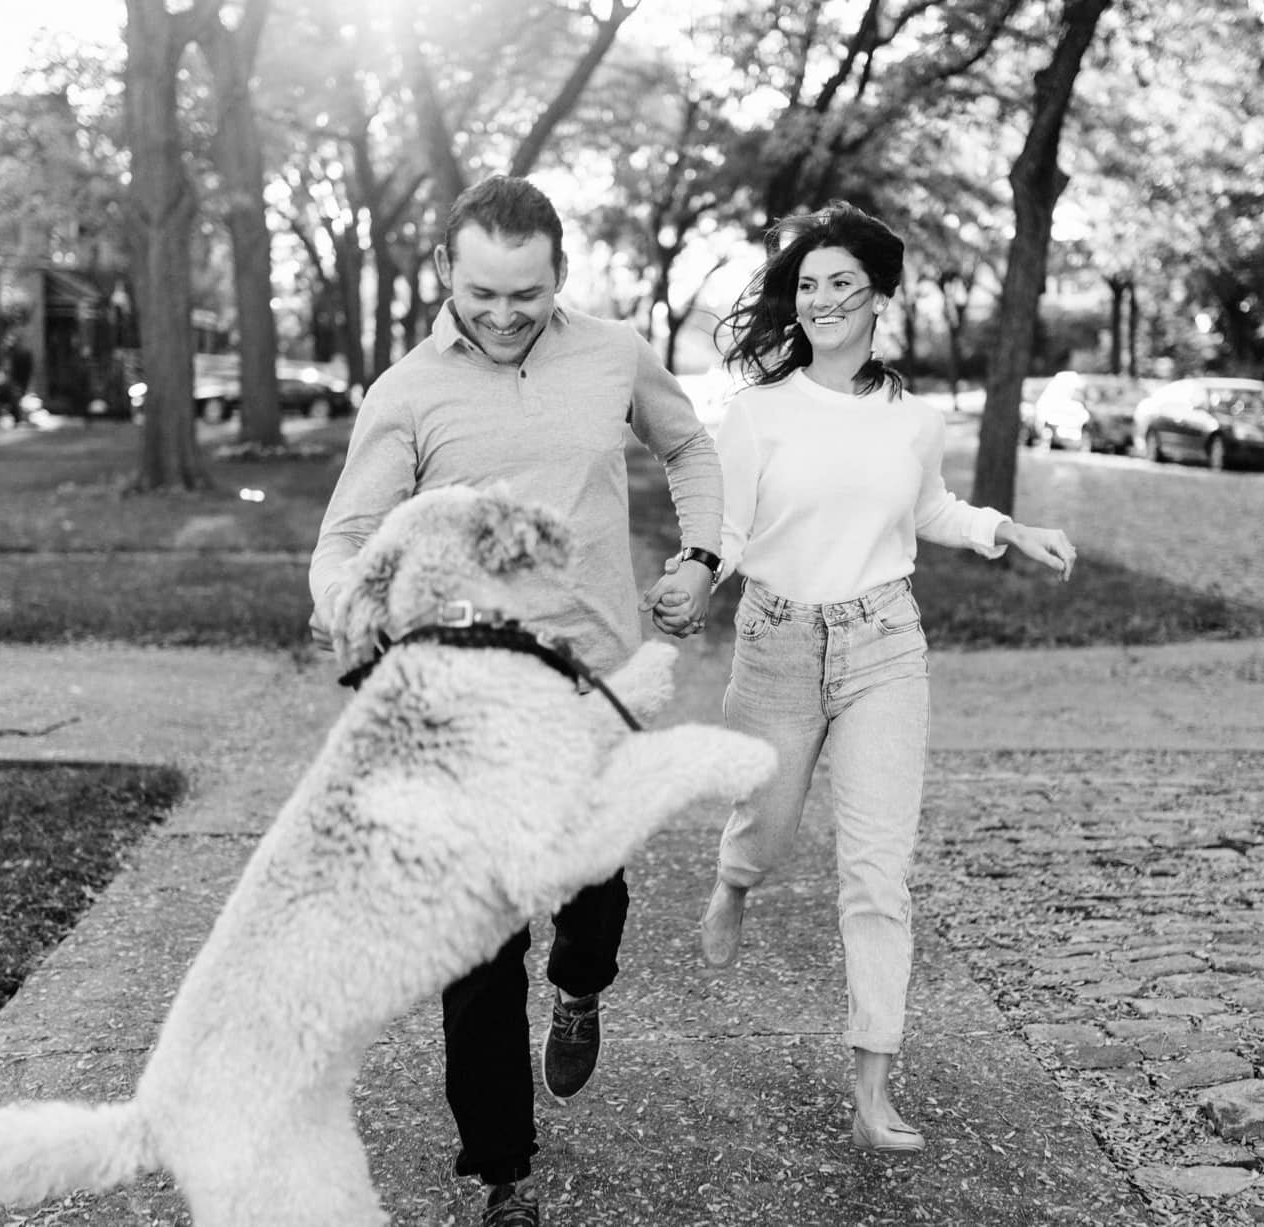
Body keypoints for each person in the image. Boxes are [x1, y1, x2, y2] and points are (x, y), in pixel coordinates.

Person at [307, 174, 720, 1227]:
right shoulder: (404, 391)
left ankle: (581, 987)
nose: (501, 313)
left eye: (524, 294)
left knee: (594, 897)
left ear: (559, 278)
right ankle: (503, 1173)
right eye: (481, 292)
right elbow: (348, 538)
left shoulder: (615, 354)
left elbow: (690, 446)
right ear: (449, 275)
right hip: (462, 701)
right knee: (480, 950)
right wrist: (342, 605)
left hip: (592, 686)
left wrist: (702, 553)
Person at [691, 201, 1077, 1154]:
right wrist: (693, 574)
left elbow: (930, 505)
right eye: (809, 285)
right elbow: (730, 530)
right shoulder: (759, 412)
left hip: (885, 646)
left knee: (877, 872)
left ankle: (873, 1084)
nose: (822, 301)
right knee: (769, 831)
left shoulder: (914, 416)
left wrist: (1004, 531)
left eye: (842, 286)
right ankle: (735, 880)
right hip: (778, 641)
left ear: (877, 299)